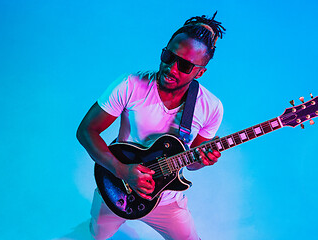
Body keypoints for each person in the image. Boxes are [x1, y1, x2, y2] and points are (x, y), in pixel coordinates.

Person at [77, 12, 225, 240]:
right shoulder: (131, 85)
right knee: (91, 236)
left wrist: (204, 160)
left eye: (185, 65)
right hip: (118, 187)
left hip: (167, 202)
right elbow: (86, 130)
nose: (171, 68)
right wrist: (122, 170)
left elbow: (193, 164)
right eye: (168, 56)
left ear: (200, 72)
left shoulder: (211, 107)